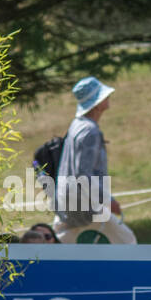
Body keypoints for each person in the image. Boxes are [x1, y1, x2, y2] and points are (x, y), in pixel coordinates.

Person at [54, 76, 137, 244]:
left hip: (70, 201)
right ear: (97, 104)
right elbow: (83, 175)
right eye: (104, 96)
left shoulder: (77, 125)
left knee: (64, 245)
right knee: (127, 242)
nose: (108, 98)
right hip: (83, 203)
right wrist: (108, 201)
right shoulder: (89, 131)